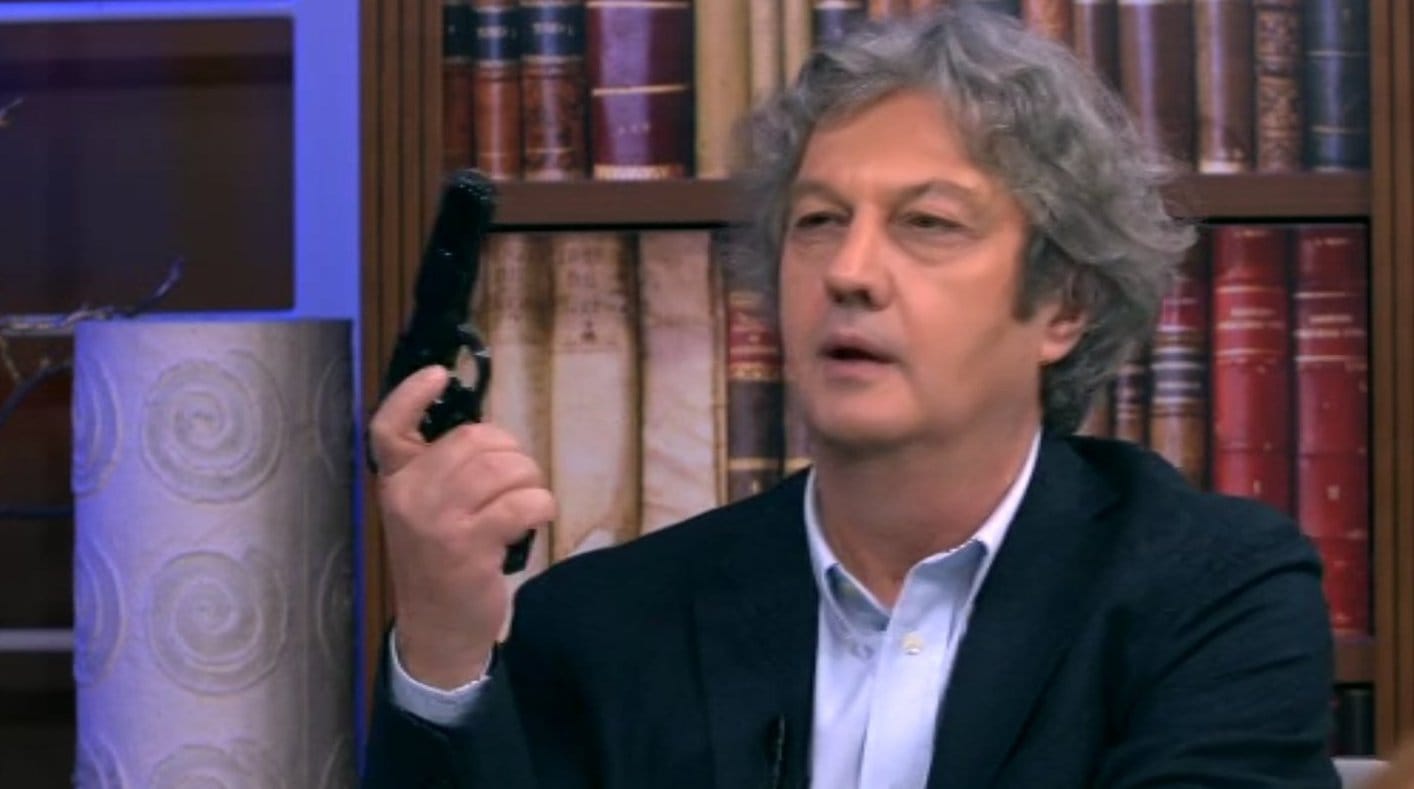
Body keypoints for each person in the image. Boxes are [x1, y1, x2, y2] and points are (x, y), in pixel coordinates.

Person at [362, 5, 1339, 787]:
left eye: (928, 223)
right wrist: (444, 641)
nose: (850, 271)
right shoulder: (603, 627)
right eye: (819, 221)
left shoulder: (1211, 595)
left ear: (1064, 304)